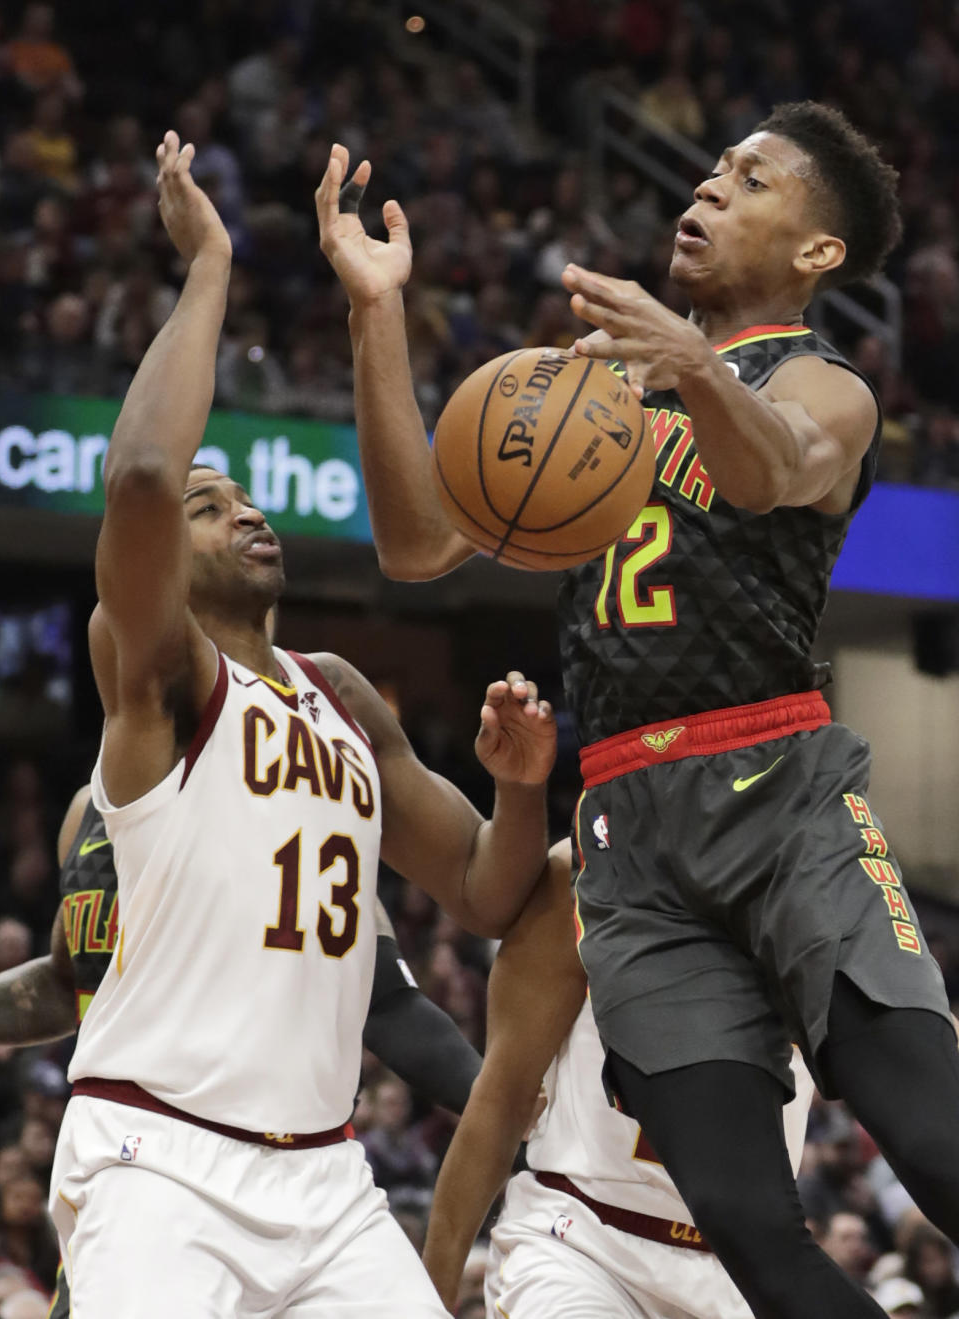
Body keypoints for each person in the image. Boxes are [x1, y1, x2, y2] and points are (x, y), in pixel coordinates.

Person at [316, 101, 959, 1319]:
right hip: (627, 830)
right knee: (755, 1232)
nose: (712, 187)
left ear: (817, 251)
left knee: (935, 1144)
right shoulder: (591, 391)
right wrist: (375, 308)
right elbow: (410, 542)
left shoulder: (825, 385)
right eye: (711, 169)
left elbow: (772, 465)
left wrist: (692, 362)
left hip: (778, 795)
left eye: (751, 179)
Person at [47, 131, 556, 1319]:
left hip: (327, 1172)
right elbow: (136, 480)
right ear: (167, 553)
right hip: (159, 1153)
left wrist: (524, 785)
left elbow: (484, 891)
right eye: (211, 506)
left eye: (250, 498)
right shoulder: (156, 672)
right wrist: (210, 264)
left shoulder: (342, 691)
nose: (249, 512)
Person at [0, 778, 486, 1319]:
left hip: (276, 1159)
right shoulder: (85, 808)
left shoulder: (275, 798)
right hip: (139, 1159)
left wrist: (506, 1108)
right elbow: (72, 981)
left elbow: (389, 1003)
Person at [422, 839, 814, 1318]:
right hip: (585, 1242)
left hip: (740, 1270)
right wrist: (429, 1297)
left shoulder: (828, 882)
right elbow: (502, 1096)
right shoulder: (586, 867)